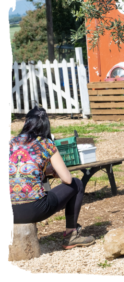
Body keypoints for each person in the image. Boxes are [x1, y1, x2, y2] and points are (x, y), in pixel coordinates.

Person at [9, 107, 95, 250]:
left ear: (26, 122)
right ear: (46, 126)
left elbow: (19, 173)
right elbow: (67, 179)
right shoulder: (46, 143)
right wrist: (53, 172)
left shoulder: (11, 143)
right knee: (77, 184)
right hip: (35, 209)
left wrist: (44, 171)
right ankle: (71, 235)